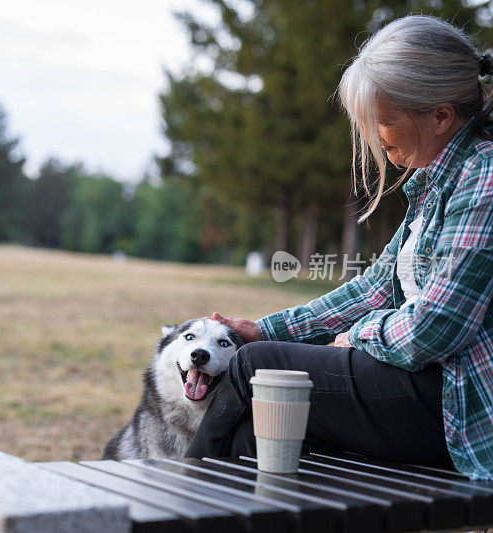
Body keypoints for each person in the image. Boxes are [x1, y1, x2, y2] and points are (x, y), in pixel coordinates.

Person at [185, 14, 493, 481]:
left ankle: (179, 496)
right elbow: (375, 290)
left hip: (462, 406)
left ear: (441, 116)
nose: (374, 138)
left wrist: (359, 335)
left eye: (384, 122)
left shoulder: (483, 177)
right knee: (257, 434)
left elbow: (436, 328)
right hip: (427, 392)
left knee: (254, 369)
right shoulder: (440, 181)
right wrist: (267, 329)